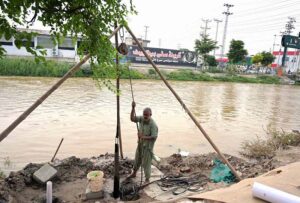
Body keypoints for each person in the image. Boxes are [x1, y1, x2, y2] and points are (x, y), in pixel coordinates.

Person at [128, 101, 158, 183]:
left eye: (146, 115)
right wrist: (133, 108)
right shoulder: (141, 118)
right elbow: (132, 118)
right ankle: (134, 173)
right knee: (137, 159)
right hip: (140, 144)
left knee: (146, 164)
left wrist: (143, 136)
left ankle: (147, 179)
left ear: (150, 115)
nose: (145, 116)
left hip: (148, 148)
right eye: (144, 114)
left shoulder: (153, 125)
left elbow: (154, 136)